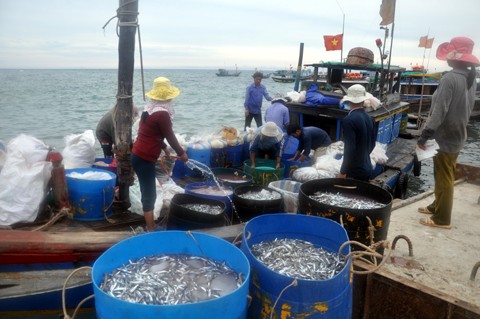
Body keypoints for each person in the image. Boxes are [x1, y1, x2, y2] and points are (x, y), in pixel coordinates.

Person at [416, 37, 479, 229]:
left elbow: (439, 111)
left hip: (444, 136)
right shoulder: (470, 79)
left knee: (444, 176)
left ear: (454, 58)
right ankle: (437, 205)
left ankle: (442, 218)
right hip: (458, 134)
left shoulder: (450, 78)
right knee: (443, 172)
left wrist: (425, 134)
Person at [131, 77, 188, 232]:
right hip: (144, 159)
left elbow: (150, 133)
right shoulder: (162, 114)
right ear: (168, 96)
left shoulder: (149, 109)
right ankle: (150, 228)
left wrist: (163, 147)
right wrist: (181, 153)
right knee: (149, 192)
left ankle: (150, 224)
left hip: (138, 155)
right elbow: (169, 135)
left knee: (147, 190)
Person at [336, 84, 375, 181]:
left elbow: (350, 148)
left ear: (349, 100)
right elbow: (372, 143)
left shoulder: (349, 120)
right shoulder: (369, 118)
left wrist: (343, 172)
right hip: (367, 168)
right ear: (363, 100)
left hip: (354, 172)